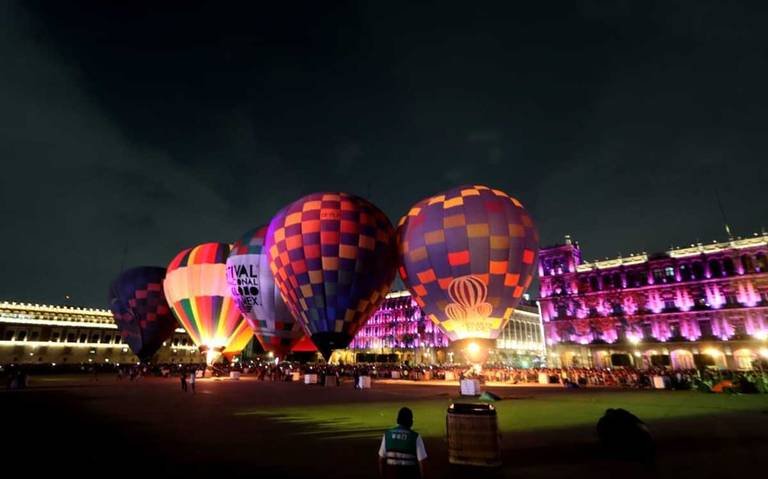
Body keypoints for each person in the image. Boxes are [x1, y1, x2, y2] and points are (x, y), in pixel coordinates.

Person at [378, 407, 427, 478]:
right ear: (410, 421)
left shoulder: (387, 435)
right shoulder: (415, 437)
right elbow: (422, 463)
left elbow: (381, 460)